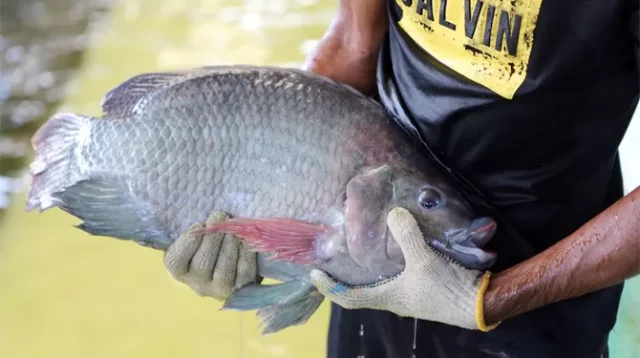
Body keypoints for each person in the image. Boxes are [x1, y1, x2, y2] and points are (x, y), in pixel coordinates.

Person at [162, 1, 640, 357]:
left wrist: (492, 299)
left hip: (537, 311)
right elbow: (353, 46)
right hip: (370, 274)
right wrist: (255, 209)